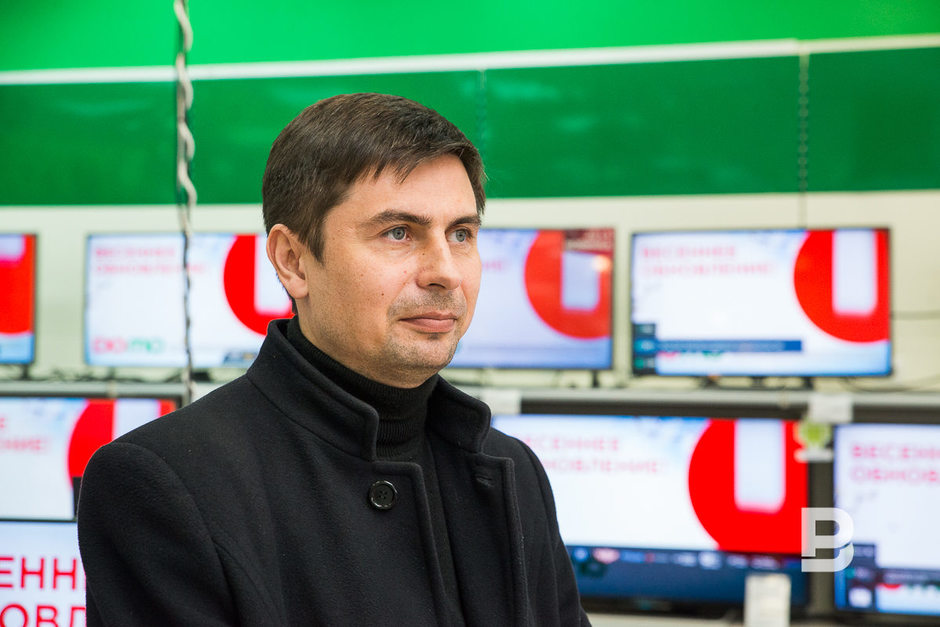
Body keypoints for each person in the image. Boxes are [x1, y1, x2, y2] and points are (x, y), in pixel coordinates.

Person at [77, 92, 590, 626]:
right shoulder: (166, 482)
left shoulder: (512, 470)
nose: (446, 271)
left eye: (461, 234)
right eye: (398, 233)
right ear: (293, 261)